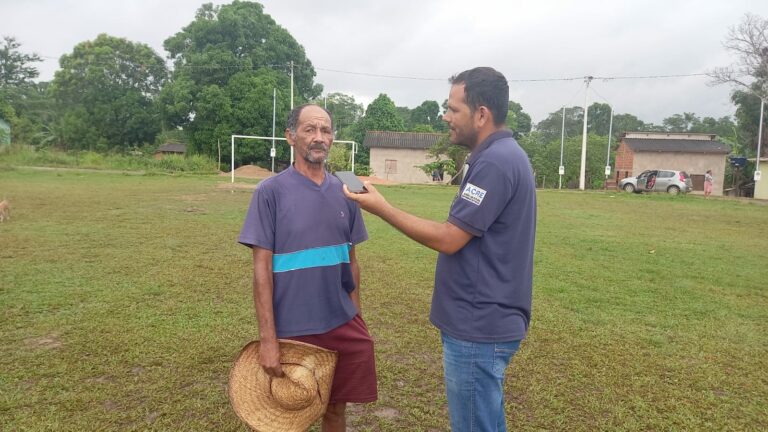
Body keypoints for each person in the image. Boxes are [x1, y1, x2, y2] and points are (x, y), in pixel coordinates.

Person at [343, 67, 536, 431]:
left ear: (481, 114)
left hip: (478, 325)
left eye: (453, 109)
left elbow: (450, 238)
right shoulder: (499, 156)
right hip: (485, 320)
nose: (446, 117)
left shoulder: (495, 162)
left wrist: (381, 208)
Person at [239, 104, 377, 432]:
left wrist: (357, 317)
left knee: (335, 409)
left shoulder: (348, 190)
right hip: (293, 329)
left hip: (340, 322)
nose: (319, 138)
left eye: (326, 130)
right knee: (289, 415)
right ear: (290, 137)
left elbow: (351, 261)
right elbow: (261, 270)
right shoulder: (269, 192)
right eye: (309, 129)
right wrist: (268, 339)